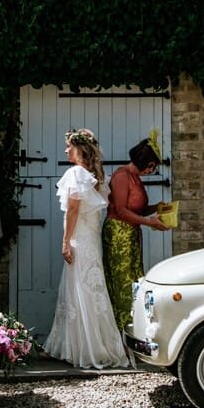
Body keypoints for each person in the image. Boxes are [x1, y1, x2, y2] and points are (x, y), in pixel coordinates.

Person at [44, 128, 128, 369]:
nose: (65, 150)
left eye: (68, 146)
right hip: (90, 240)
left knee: (82, 289)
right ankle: (82, 345)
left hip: (80, 239)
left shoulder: (76, 174)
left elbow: (72, 210)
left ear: (79, 149)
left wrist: (65, 241)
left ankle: (87, 348)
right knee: (89, 289)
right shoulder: (94, 175)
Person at [103, 132, 169, 332]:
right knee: (123, 282)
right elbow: (121, 210)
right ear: (145, 162)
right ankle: (122, 329)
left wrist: (157, 208)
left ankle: (134, 326)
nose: (153, 170)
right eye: (152, 166)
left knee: (134, 280)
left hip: (130, 234)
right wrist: (149, 222)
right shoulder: (122, 176)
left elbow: (136, 209)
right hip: (118, 235)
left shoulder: (135, 178)